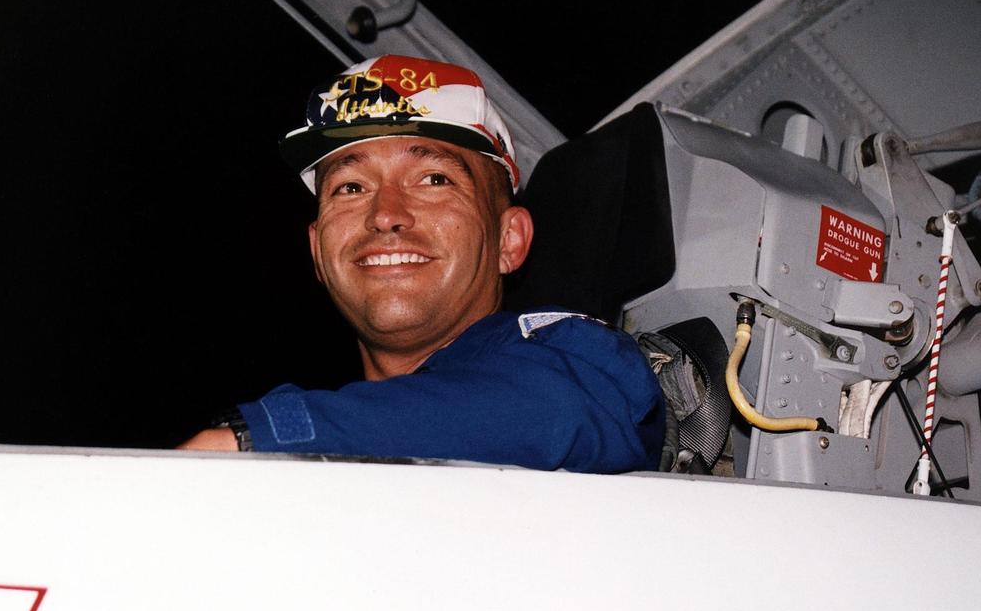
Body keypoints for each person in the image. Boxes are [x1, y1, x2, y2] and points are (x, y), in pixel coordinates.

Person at [179, 54, 665, 473]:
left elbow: (556, 408)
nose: (385, 214)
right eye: (351, 187)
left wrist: (257, 437)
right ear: (317, 253)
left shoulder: (574, 362)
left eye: (433, 179)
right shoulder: (335, 431)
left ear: (508, 239)